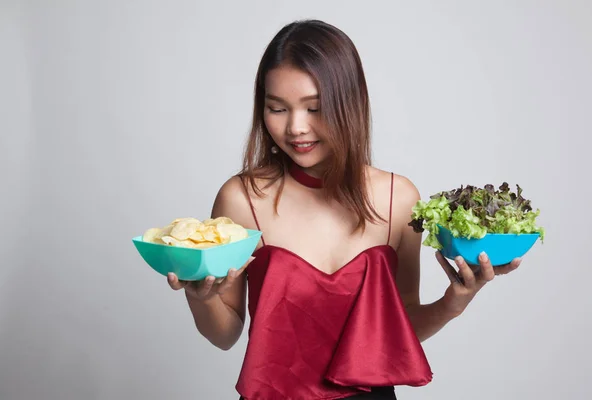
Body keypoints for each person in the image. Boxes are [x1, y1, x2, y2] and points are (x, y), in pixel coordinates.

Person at [166, 19, 522, 400]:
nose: (295, 128)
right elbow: (225, 335)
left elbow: (394, 330)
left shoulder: (397, 199)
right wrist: (199, 297)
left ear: (349, 103)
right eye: (277, 108)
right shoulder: (242, 198)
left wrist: (454, 302)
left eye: (314, 108)